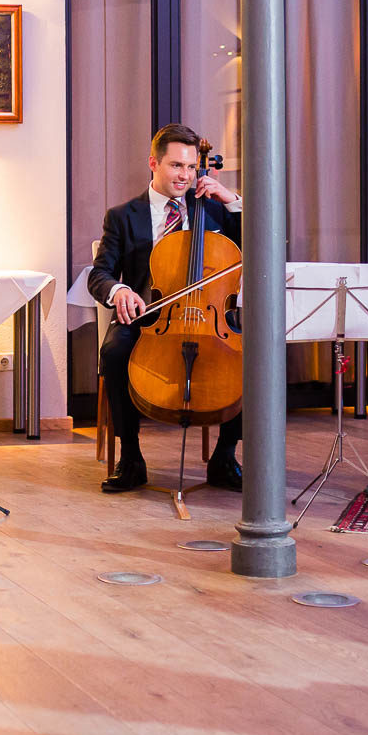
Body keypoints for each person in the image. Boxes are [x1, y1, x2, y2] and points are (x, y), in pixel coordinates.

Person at [87, 123, 245, 495]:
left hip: (209, 318)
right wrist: (120, 290)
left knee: (252, 355)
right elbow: (100, 273)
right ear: (153, 164)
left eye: (191, 168)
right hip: (149, 317)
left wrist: (232, 200)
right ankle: (132, 458)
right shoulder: (123, 215)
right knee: (113, 352)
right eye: (177, 166)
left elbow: (259, 245)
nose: (185, 176)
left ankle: (225, 457)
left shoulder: (214, 211)